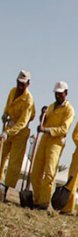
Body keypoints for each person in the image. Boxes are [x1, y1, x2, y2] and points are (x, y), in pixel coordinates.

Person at [31, 81, 75, 210]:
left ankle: (44, 202)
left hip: (56, 142)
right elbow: (43, 121)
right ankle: (37, 199)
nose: (58, 96)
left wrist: (46, 130)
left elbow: (64, 129)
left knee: (49, 172)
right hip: (44, 140)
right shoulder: (50, 107)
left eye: (60, 94)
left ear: (66, 93)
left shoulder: (69, 110)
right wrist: (42, 114)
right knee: (36, 171)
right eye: (56, 94)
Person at [1, 70, 35, 198]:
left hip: (20, 132)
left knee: (14, 163)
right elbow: (8, 105)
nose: (20, 86)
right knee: (1, 156)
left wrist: (8, 132)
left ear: (28, 84)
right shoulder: (12, 91)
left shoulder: (28, 100)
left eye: (23, 84)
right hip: (9, 126)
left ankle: (4, 190)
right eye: (18, 83)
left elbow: (22, 122)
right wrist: (5, 114)